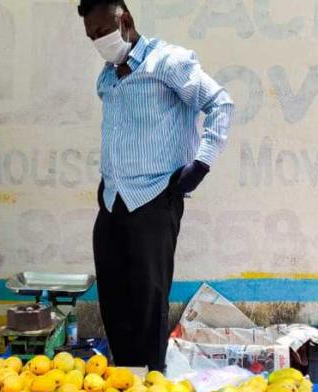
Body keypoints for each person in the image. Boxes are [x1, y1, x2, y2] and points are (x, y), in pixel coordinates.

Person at [78, 0, 234, 371]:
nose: (98, 40)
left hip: (154, 196)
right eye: (91, 36)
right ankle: (125, 378)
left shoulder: (169, 62)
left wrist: (201, 163)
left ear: (125, 21)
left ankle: (148, 381)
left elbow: (220, 104)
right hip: (113, 197)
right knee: (114, 296)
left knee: (148, 299)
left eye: (103, 31)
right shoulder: (109, 74)